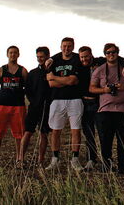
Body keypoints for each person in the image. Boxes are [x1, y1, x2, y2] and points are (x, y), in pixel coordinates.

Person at [78, 46, 124, 171]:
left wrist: (123, 87)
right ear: (105, 54)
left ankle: (122, 165)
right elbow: (92, 88)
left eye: (114, 52)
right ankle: (106, 164)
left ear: (118, 53)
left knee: (122, 139)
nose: (111, 54)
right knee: (105, 139)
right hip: (105, 109)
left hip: (123, 109)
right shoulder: (100, 70)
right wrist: (104, 90)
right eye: (108, 53)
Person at [45, 37, 83, 172]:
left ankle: (75, 158)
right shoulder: (54, 60)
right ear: (61, 46)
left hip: (75, 99)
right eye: (64, 46)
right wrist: (64, 80)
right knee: (55, 130)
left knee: (76, 129)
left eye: (69, 46)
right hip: (57, 100)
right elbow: (50, 83)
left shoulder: (77, 59)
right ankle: (55, 158)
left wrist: (55, 78)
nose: (67, 48)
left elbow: (73, 81)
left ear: (73, 46)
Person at [0, 46, 28, 167]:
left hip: (18, 106)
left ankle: (19, 158)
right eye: (11, 53)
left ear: (18, 54)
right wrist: (3, 96)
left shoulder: (22, 71)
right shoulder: (1, 70)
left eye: (15, 53)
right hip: (2, 105)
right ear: (7, 54)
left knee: (19, 133)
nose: (13, 55)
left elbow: (27, 87)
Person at [18, 46, 51, 166]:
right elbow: (28, 90)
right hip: (34, 108)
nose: (39, 59)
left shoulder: (52, 71)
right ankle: (20, 159)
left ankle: (40, 160)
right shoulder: (32, 73)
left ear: (47, 56)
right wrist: (34, 102)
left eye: (42, 57)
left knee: (43, 133)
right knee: (27, 132)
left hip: (47, 108)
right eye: (38, 57)